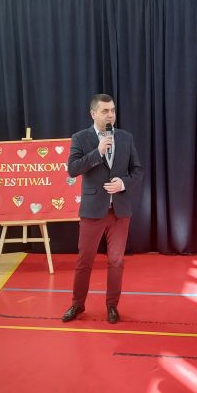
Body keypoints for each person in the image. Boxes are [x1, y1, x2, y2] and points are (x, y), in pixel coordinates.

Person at [61, 93, 143, 324]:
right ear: (93, 113)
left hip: (119, 211)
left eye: (113, 110)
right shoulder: (80, 138)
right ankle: (77, 304)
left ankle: (112, 306)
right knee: (85, 260)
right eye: (105, 111)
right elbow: (73, 169)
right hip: (92, 210)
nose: (111, 115)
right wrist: (97, 152)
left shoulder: (125, 138)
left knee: (116, 261)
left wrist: (123, 183)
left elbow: (138, 170)